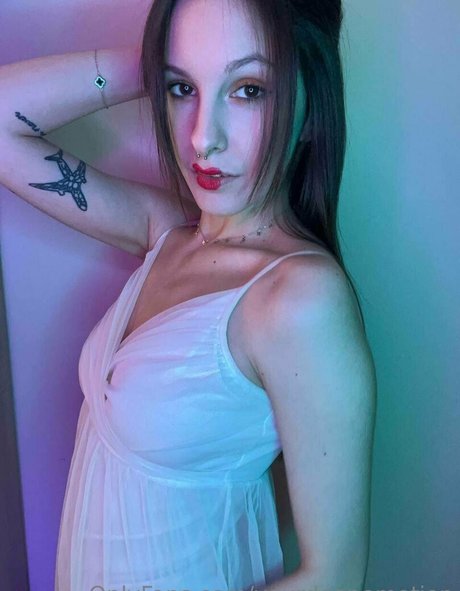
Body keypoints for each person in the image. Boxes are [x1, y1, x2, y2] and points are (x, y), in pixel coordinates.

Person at [0, 0, 377, 590]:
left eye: (249, 90)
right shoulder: (168, 232)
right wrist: (155, 62)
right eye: (182, 89)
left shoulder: (298, 300)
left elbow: (333, 578)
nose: (203, 138)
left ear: (312, 98)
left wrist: (187, 67)